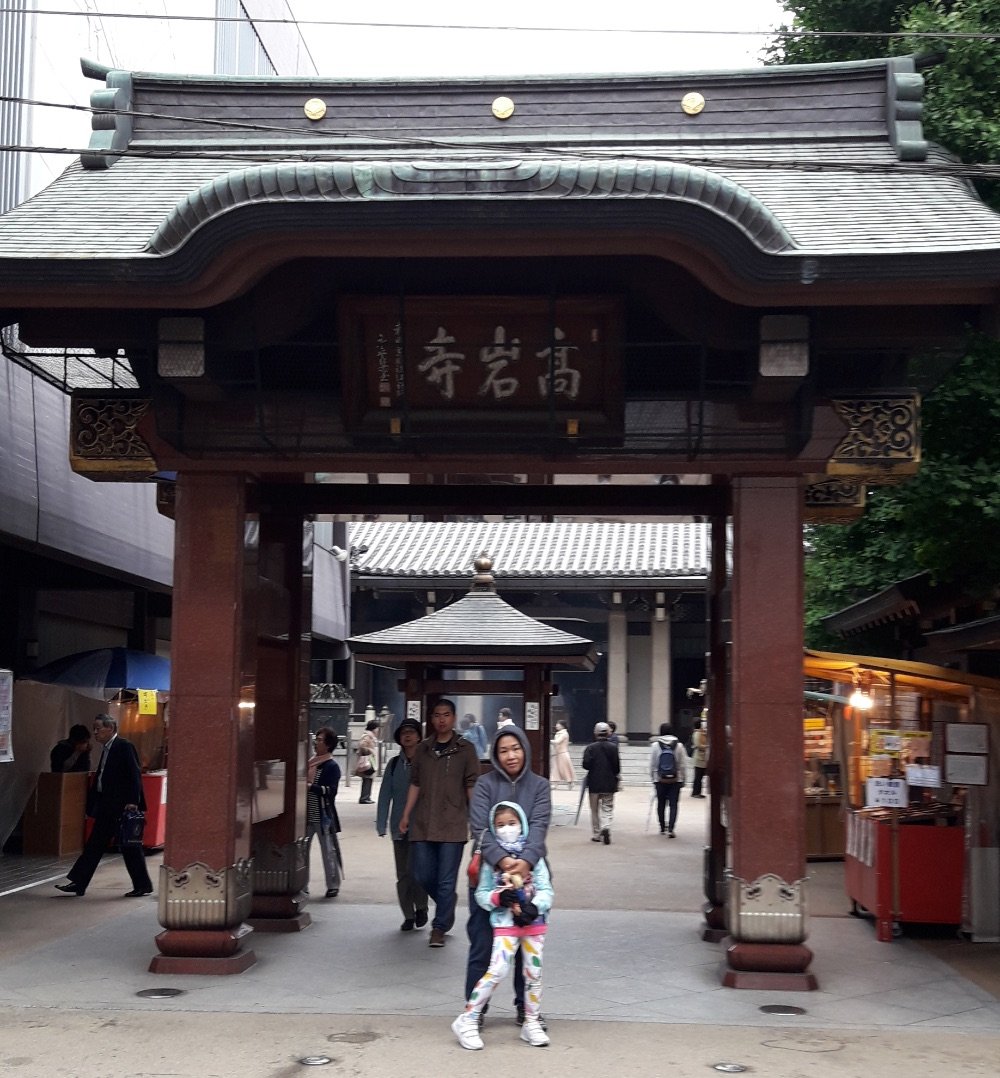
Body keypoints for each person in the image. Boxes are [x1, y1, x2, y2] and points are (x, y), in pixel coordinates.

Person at [467, 725, 551, 1030]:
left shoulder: (540, 785)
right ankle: (474, 1010)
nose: (510, 755)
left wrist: (526, 862)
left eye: (516, 748)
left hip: (531, 877)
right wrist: (503, 861)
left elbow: (540, 825)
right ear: (495, 754)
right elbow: (479, 828)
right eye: (503, 750)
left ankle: (526, 1010)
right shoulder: (485, 784)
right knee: (481, 944)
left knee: (528, 945)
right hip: (490, 877)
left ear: (525, 750)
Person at [452, 801, 553, 1050]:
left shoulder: (534, 857)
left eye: (512, 823)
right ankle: (468, 1018)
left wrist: (535, 907)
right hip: (505, 925)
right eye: (500, 825)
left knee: (534, 973)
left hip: (533, 924)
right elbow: (482, 893)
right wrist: (498, 898)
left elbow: (546, 888)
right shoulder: (491, 861)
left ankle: (531, 1021)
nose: (507, 829)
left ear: (522, 824)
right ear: (492, 829)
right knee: (497, 970)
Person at [399, 699, 480, 947]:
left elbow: (471, 785)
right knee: (421, 874)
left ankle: (439, 927)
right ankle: (447, 903)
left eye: (446, 715)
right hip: (423, 821)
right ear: (431, 719)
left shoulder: (465, 749)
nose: (441, 719)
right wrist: (405, 814)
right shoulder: (423, 749)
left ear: (454, 718)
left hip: (452, 823)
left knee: (446, 880)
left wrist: (476, 817)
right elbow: (415, 783)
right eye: (436, 715)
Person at [55, 714, 153, 898]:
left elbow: (134, 775)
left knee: (130, 846)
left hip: (121, 806)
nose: (95, 732)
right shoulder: (106, 749)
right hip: (107, 805)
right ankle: (78, 882)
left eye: (98, 728)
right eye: (95, 728)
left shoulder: (123, 746)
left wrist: (133, 801)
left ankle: (142, 885)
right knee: (94, 844)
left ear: (110, 728)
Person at [376, 717, 429, 931]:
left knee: (419, 871)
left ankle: (422, 907)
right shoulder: (394, 764)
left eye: (412, 732)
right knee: (403, 874)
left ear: (418, 736)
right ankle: (408, 914)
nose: (407, 735)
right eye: (404, 732)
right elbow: (384, 795)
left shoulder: (426, 762)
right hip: (399, 826)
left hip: (422, 826)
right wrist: (381, 823)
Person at [306, 727, 342, 898]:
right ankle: (301, 883)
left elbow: (331, 791)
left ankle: (333, 884)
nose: (316, 742)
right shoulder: (310, 762)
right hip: (305, 815)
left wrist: (311, 787)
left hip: (322, 814)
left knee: (328, 850)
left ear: (328, 745)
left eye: (320, 740)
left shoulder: (331, 766)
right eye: (317, 739)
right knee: (301, 851)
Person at [581, 721, 619, 845]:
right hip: (609, 783)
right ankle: (606, 826)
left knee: (594, 810)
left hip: (594, 783)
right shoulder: (613, 748)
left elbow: (585, 765)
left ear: (595, 733)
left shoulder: (590, 748)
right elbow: (617, 767)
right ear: (608, 733)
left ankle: (597, 834)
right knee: (607, 807)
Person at [650, 721, 689, 837]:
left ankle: (662, 827)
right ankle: (671, 829)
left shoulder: (655, 746)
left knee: (661, 803)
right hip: (675, 779)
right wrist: (683, 779)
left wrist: (653, 778)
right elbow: (682, 764)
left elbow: (652, 764)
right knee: (673, 804)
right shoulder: (679, 746)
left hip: (660, 779)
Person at [356, 718, 380, 803]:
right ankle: (364, 797)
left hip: (370, 760)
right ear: (373, 728)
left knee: (369, 779)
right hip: (368, 760)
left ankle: (367, 797)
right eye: (377, 728)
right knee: (367, 779)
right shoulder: (367, 736)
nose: (378, 730)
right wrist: (371, 751)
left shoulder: (370, 736)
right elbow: (362, 746)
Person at [549, 720, 574, 789]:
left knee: (565, 769)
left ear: (562, 726)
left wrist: (549, 740)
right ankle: (555, 784)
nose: (556, 725)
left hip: (563, 754)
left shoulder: (564, 734)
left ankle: (570, 782)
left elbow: (558, 742)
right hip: (557, 753)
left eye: (558, 724)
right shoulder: (558, 733)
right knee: (555, 769)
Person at [690, 713, 709, 798]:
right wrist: (707, 746)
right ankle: (695, 793)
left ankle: (697, 792)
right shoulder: (697, 733)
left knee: (699, 776)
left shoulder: (700, 733)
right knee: (698, 777)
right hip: (699, 758)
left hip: (700, 758)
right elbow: (698, 745)